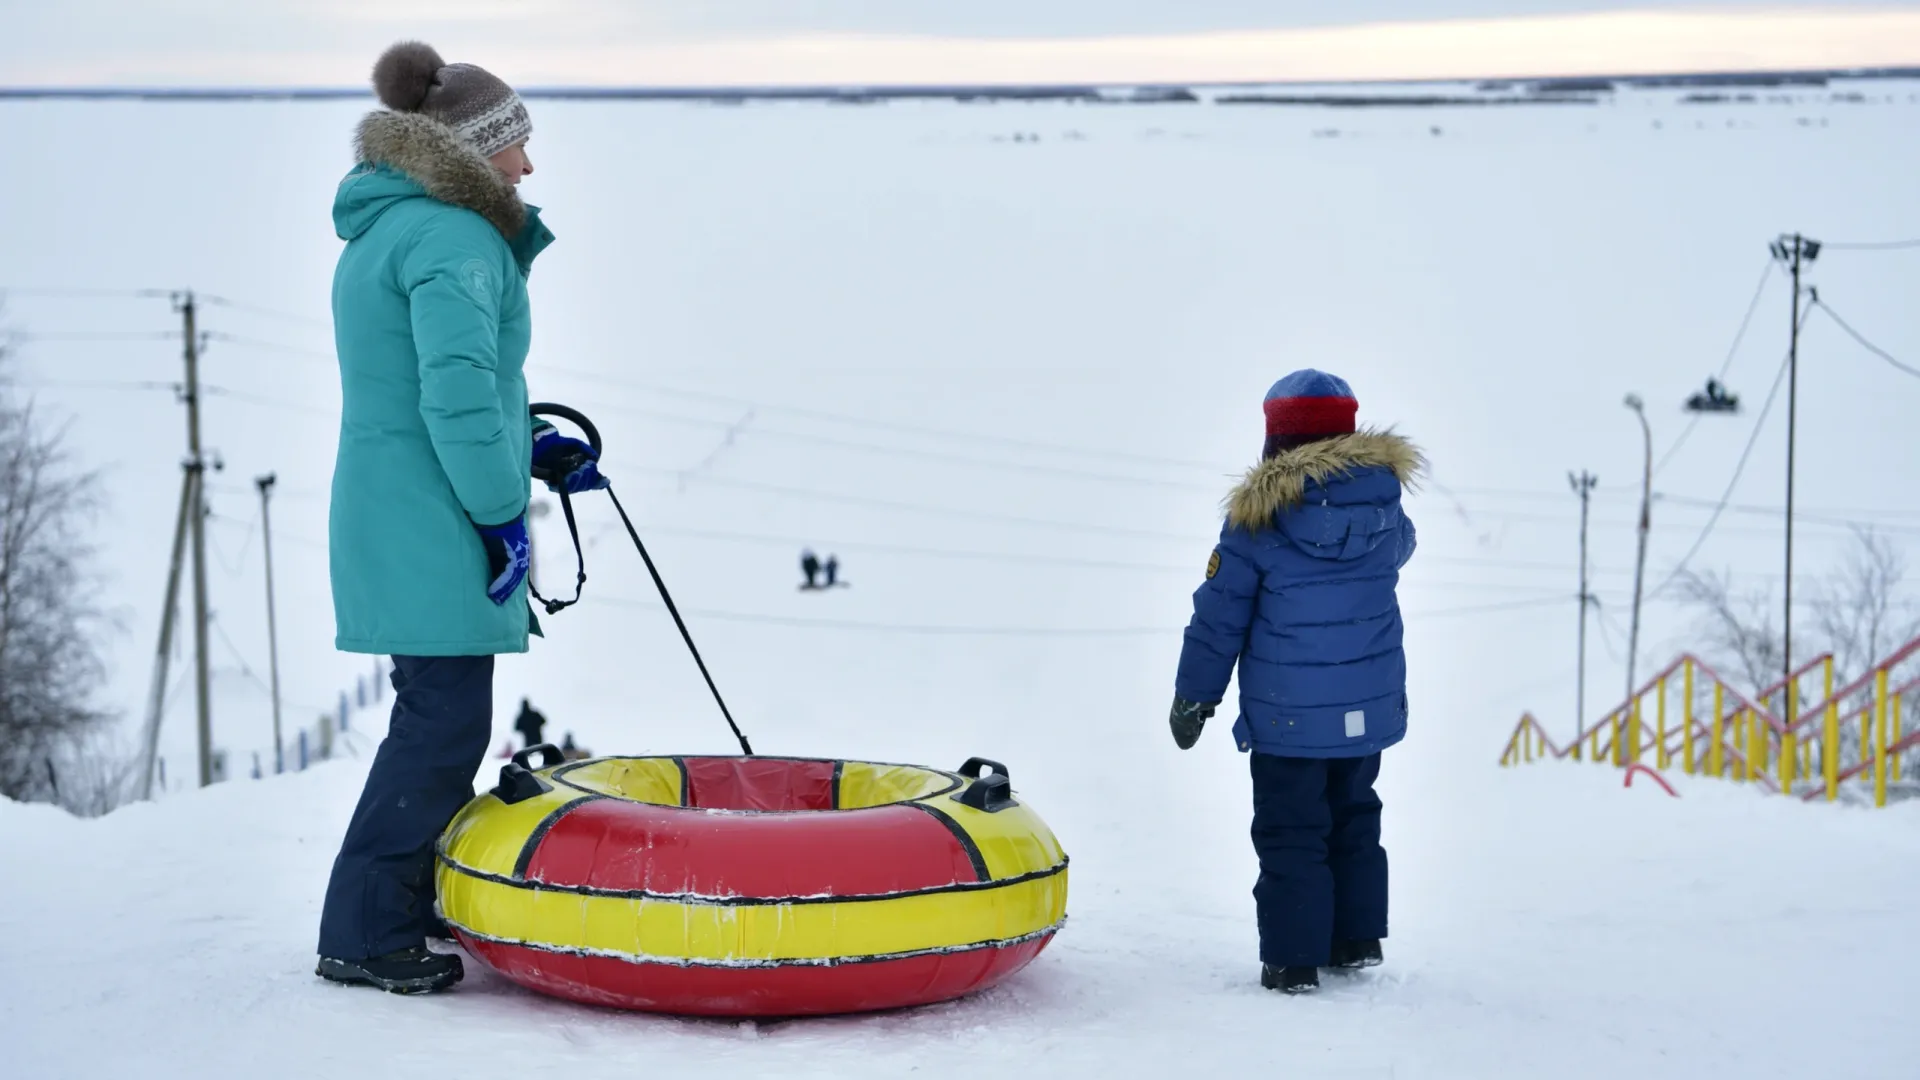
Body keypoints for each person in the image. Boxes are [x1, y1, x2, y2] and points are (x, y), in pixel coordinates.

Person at [316, 40, 607, 996]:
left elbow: (443, 387)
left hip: (395, 500)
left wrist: (529, 441)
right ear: (472, 151)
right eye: (516, 143)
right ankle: (364, 929)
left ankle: (399, 908)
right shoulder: (453, 238)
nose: (528, 164)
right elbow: (453, 394)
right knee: (441, 727)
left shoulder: (393, 230)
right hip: (432, 511)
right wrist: (499, 511)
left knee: (437, 717)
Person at [1169, 369, 1420, 996]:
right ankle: (1355, 939)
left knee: (1290, 830)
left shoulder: (1258, 521)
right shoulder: (1385, 507)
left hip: (1288, 716)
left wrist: (1196, 693)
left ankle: (1293, 960)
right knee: (1355, 815)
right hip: (1366, 708)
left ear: (1276, 437)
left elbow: (1218, 616)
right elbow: (1403, 550)